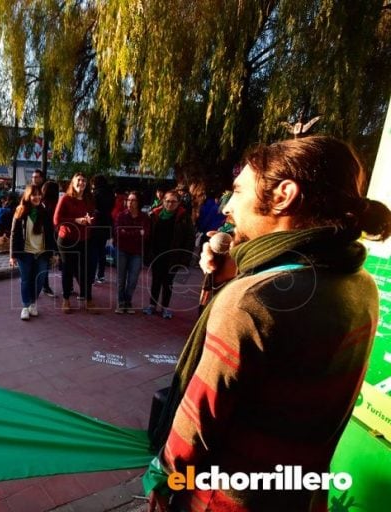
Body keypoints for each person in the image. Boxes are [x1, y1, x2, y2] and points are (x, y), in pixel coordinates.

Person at [146, 136, 391, 512]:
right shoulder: (361, 285)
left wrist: (163, 478)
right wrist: (229, 276)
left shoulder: (253, 302)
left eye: (238, 191)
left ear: (283, 195)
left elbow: (197, 421)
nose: (227, 206)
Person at [143, 189, 194, 319]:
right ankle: (152, 305)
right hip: (157, 254)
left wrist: (185, 258)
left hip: (173, 256)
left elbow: (189, 239)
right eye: (167, 201)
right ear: (163, 201)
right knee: (156, 280)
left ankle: (165, 307)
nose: (169, 204)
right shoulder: (155, 215)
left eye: (173, 201)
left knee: (168, 282)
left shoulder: (184, 217)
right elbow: (149, 237)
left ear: (178, 203)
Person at [9, 185, 57, 320]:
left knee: (40, 280)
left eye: (38, 195)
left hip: (41, 253)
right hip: (25, 253)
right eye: (33, 195)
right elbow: (14, 234)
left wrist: (53, 252)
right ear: (28, 196)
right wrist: (12, 255)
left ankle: (33, 302)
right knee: (25, 280)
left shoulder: (45, 212)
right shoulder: (20, 211)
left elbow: (50, 234)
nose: (37, 197)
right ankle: (26, 306)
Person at [54, 173, 97, 314]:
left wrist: (90, 220)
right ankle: (66, 299)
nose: (81, 183)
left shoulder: (89, 199)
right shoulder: (65, 199)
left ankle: (88, 299)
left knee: (86, 270)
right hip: (66, 240)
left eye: (84, 181)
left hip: (84, 239)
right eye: (78, 180)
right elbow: (56, 220)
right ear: (73, 182)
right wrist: (76, 220)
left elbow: (93, 216)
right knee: (68, 269)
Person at [113, 191, 150, 314]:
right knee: (121, 278)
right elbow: (119, 233)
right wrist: (136, 233)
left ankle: (128, 301)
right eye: (128, 200)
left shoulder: (144, 217)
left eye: (133, 200)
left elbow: (145, 235)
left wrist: (127, 232)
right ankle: (121, 302)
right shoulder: (121, 216)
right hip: (122, 250)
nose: (130, 203)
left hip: (137, 252)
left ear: (138, 202)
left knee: (133, 279)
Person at [90, 174, 115, 283]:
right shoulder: (111, 194)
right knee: (102, 250)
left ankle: (92, 274)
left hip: (96, 223)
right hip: (106, 223)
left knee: (94, 250)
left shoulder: (95, 194)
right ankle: (101, 275)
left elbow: (91, 208)